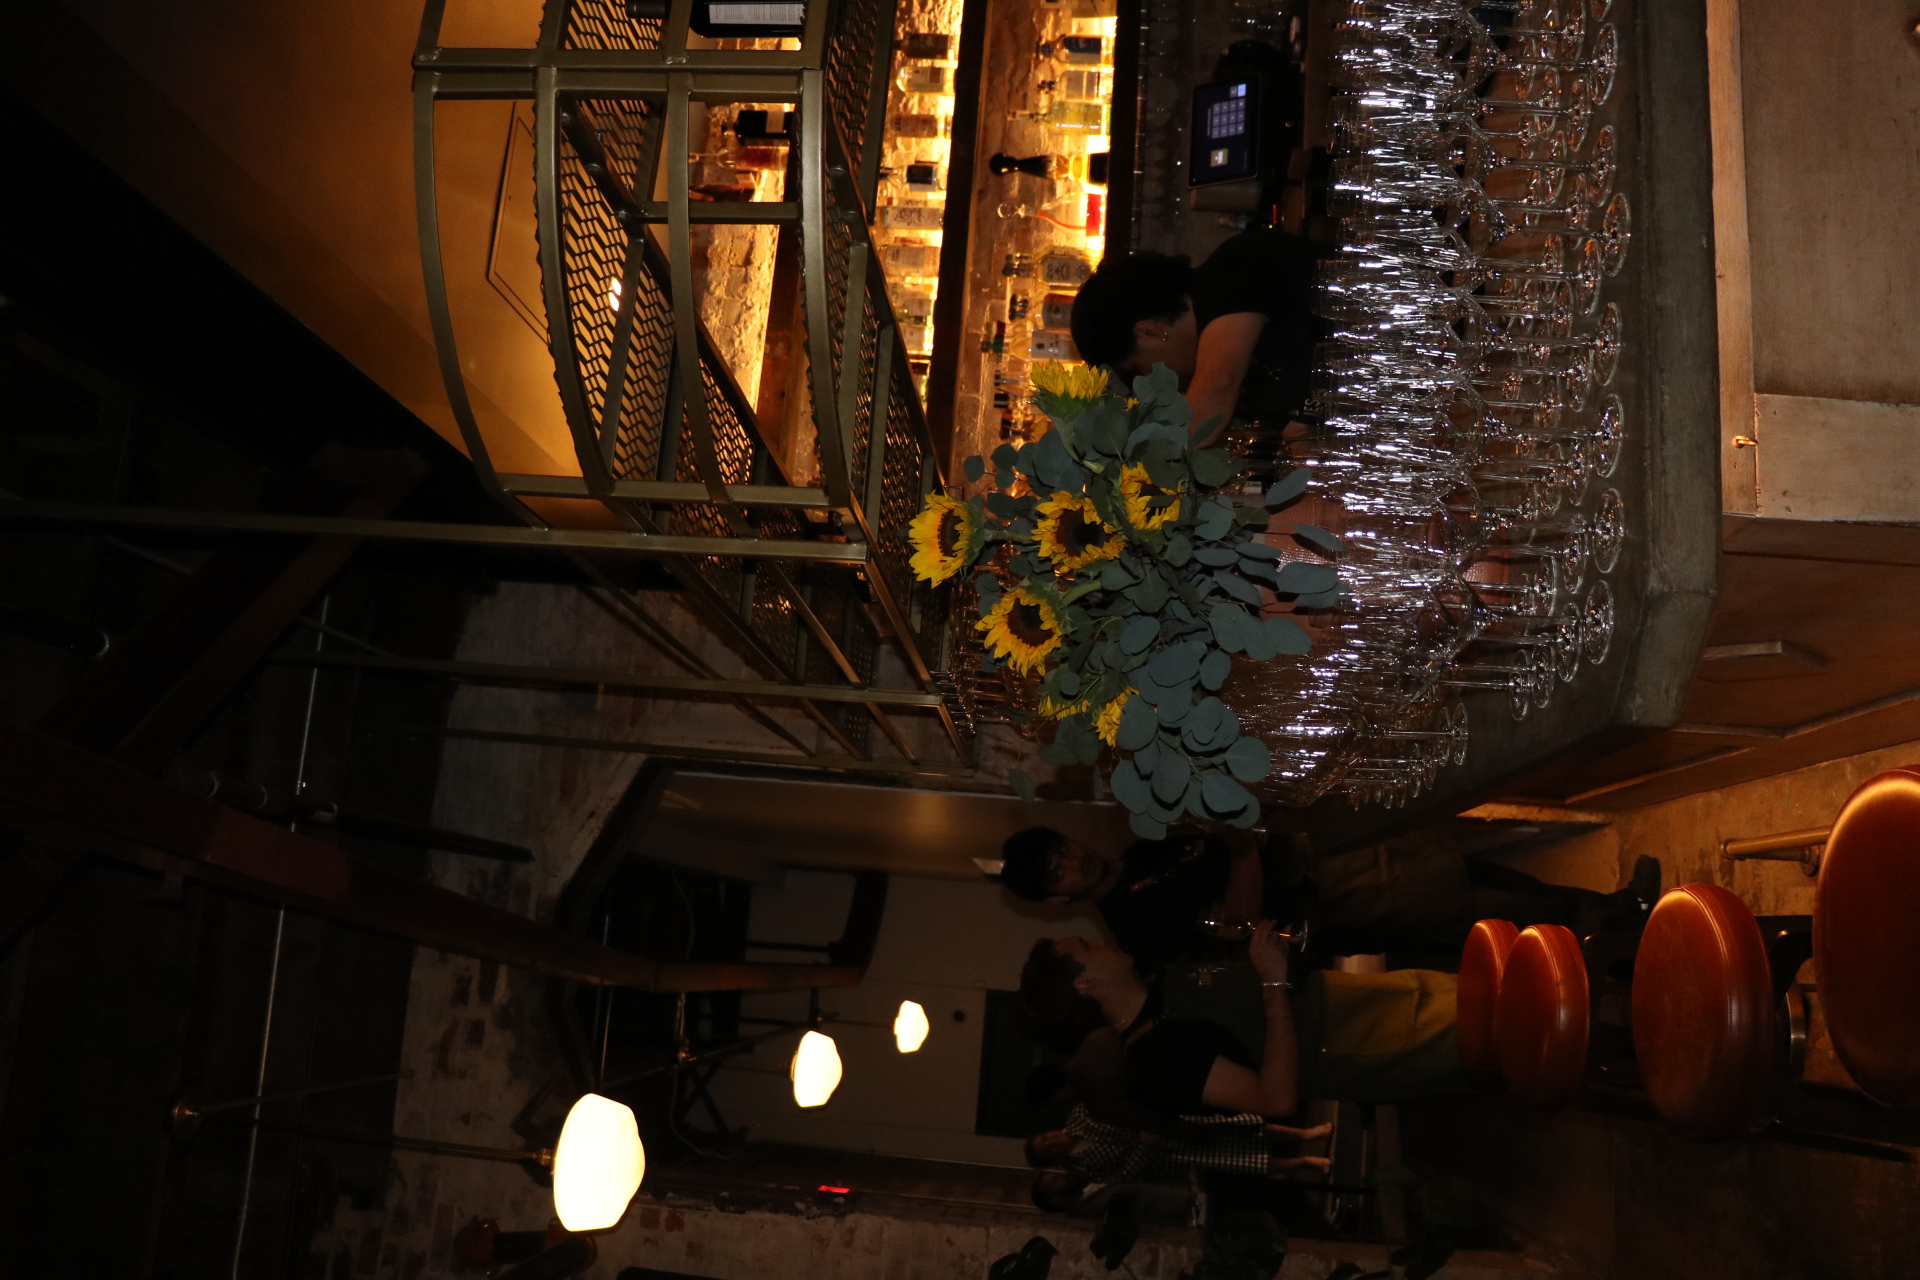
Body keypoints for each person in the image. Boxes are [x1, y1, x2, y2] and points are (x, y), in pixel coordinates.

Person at [998, 823, 1658, 974]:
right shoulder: (1133, 931)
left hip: (1323, 863)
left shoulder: (1141, 851)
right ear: (1058, 900)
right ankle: (1614, 932)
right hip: (1325, 910)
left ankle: (1606, 909)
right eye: (1060, 872)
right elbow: (1237, 926)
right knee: (1472, 908)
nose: (1076, 861)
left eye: (1065, 848)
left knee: (1476, 873)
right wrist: (1243, 853)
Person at [1020, 925, 1474, 1123]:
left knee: (1497, 992)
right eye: (1086, 945)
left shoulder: (1159, 983)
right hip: (1373, 1044)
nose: (1099, 940)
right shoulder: (1152, 1056)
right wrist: (1272, 981)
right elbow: (1273, 1099)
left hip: (1379, 999)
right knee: (1508, 1028)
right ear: (1085, 983)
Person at [1068, 230, 1324, 449]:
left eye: (1139, 368)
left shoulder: (1233, 269)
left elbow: (1218, 383)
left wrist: (1147, 473)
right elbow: (1301, 432)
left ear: (1149, 332)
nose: (1149, 376)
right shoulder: (1250, 380)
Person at [1026, 1103, 1331, 1182]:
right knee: (1243, 1162)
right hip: (1167, 1157)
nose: (1052, 1142)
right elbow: (1122, 1174)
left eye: (1045, 1138)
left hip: (1167, 1122)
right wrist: (1146, 1147)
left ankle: (1305, 1134)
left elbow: (1121, 1106)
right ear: (1053, 1160)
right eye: (1048, 1149)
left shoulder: (1081, 1112)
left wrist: (1147, 1124)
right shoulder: (1080, 1167)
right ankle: (1305, 1163)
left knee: (1243, 1127)